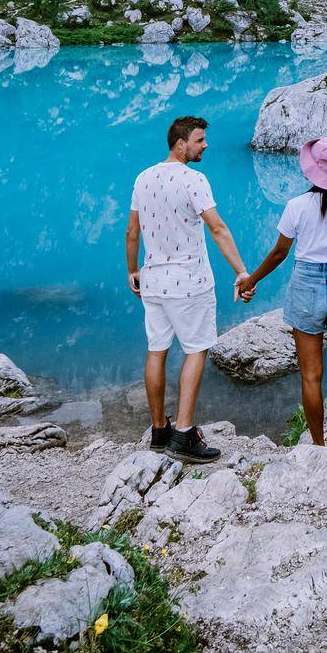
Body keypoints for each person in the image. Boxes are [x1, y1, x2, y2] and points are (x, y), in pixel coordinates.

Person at [127, 114, 252, 464]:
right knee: (196, 350)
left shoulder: (143, 177)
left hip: (153, 280)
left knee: (157, 350)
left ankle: (158, 430)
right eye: (200, 140)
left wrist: (133, 270)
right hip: (189, 283)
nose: (205, 145)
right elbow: (218, 228)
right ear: (181, 144)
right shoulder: (194, 179)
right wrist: (241, 271)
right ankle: (183, 434)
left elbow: (132, 232)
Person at [237, 136, 327, 449]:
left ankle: (319, 446)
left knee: (311, 376)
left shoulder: (296, 207)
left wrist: (251, 279)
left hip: (306, 287)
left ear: (310, 171)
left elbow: (279, 253)